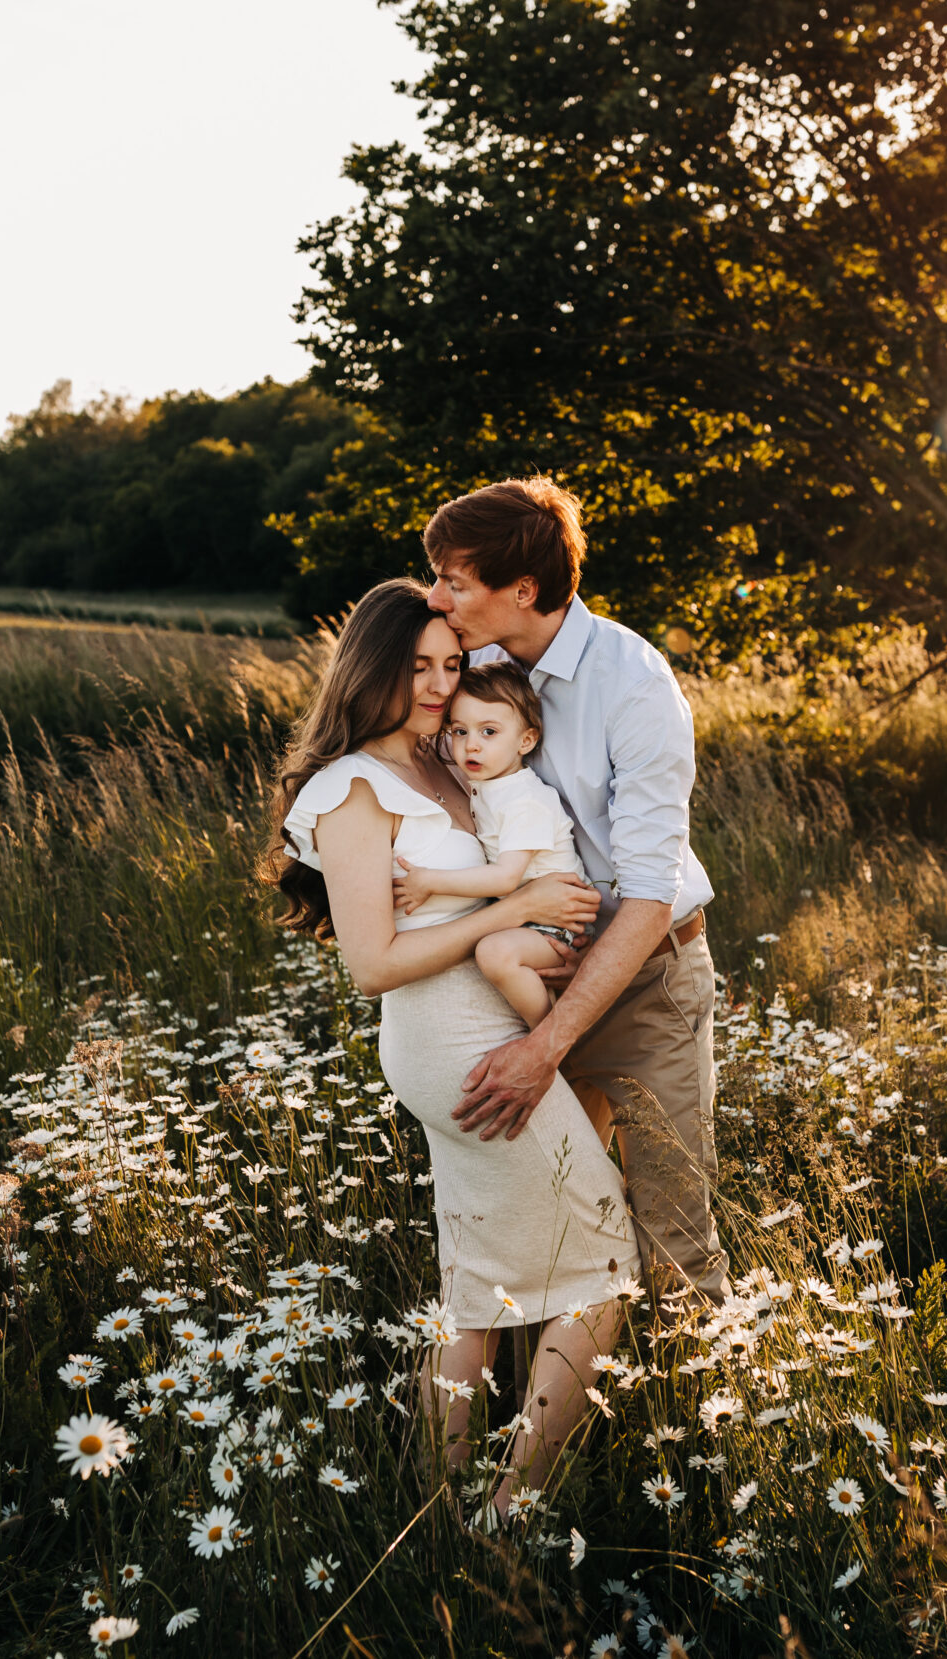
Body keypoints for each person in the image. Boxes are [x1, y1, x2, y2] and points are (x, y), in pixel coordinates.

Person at [263, 578, 629, 1519]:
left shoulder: (443, 764)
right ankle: (513, 1505)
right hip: (454, 1043)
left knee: (478, 1289)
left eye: (450, 663)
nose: (437, 685)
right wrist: (513, 910)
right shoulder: (348, 788)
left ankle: (442, 1505)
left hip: (488, 1027)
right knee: (605, 1269)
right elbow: (372, 963)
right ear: (369, 666)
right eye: (416, 666)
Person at [425, 478, 731, 1307]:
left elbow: (646, 894)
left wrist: (546, 1045)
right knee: (553, 1220)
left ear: (521, 590)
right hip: (527, 967)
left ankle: (692, 1423)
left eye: (453, 579)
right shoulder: (467, 669)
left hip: (646, 981)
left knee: (672, 1235)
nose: (435, 595)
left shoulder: (634, 683)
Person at [388, 660, 617, 1152]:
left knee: (494, 953)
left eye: (489, 731)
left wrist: (430, 881)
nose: (471, 744)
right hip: (533, 920)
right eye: (460, 730)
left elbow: (507, 877)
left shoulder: (524, 800)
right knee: (493, 948)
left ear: (526, 741)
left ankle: (555, 1038)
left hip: (558, 928)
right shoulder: (485, 787)